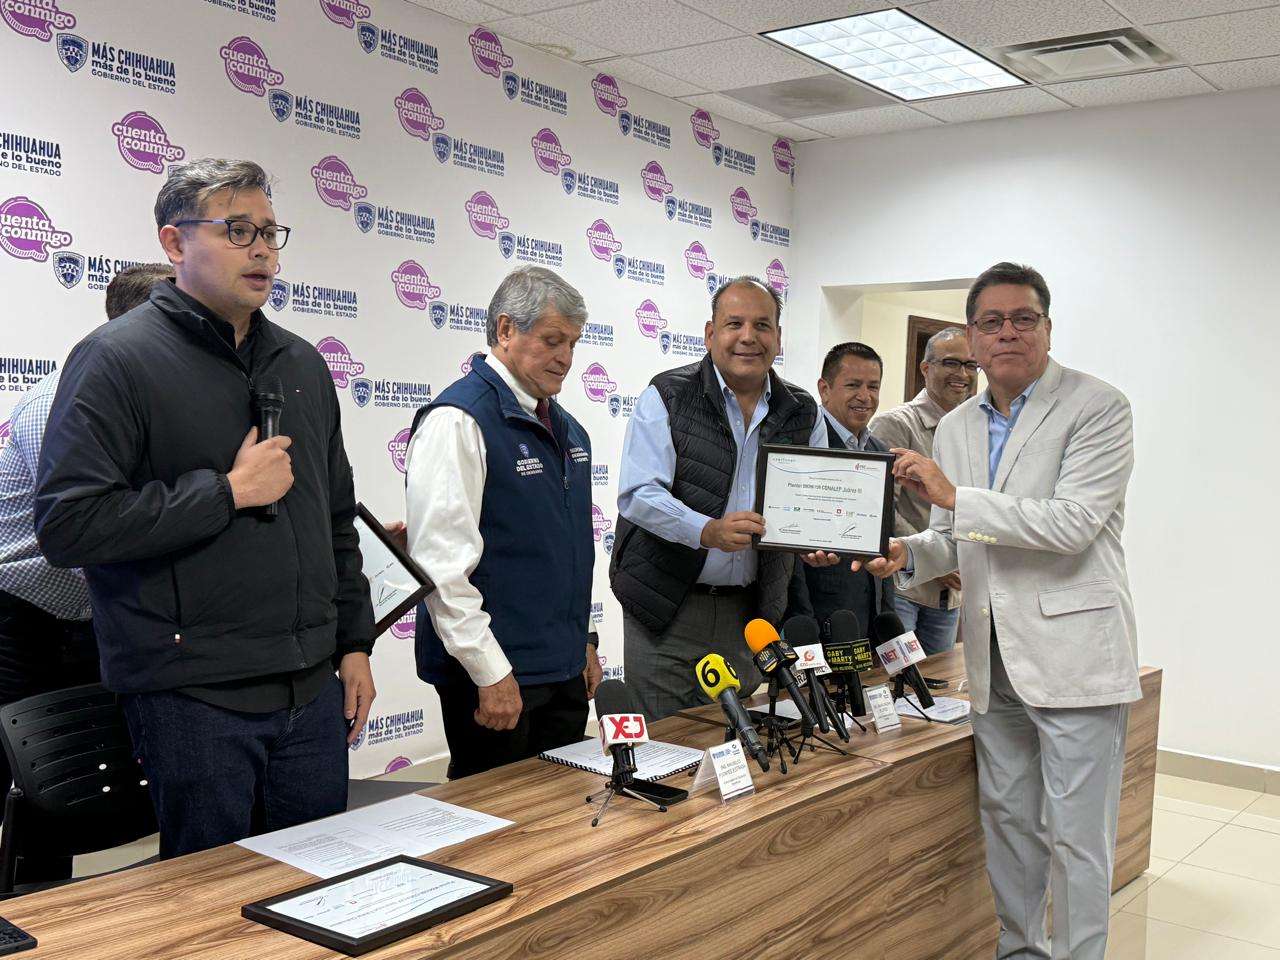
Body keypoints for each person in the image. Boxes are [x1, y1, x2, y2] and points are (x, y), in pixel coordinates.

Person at [34, 158, 376, 859]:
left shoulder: (303, 364)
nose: (262, 250)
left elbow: (335, 519)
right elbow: (69, 525)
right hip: (194, 696)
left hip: (312, 687)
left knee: (321, 886)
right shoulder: (115, 360)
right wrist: (226, 492)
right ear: (174, 243)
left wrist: (354, 643)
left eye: (270, 232)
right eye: (237, 230)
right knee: (213, 903)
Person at [860, 262, 1141, 960]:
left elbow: (1072, 524)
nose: (1007, 332)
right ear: (973, 336)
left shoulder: (1098, 406)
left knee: (1078, 837)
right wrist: (907, 552)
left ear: (1047, 328)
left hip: (1074, 658)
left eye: (1023, 319)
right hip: (991, 656)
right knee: (1010, 824)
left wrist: (954, 498)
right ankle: (1020, 950)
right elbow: (957, 535)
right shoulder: (958, 425)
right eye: (991, 321)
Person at [0, 262, 171, 882]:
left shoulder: (148, 401)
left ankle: (49, 910)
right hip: (22, 616)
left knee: (63, 785)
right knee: (17, 775)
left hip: (89, 613)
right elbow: (87, 529)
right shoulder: (62, 400)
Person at [405, 266, 601, 780]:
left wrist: (584, 640)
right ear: (506, 329)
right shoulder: (459, 420)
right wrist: (488, 671)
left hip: (560, 669)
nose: (566, 357)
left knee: (565, 814)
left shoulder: (570, 429)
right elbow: (441, 567)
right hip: (496, 677)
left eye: (573, 343)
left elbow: (566, 550)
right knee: (498, 823)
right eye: (553, 340)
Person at [612, 276, 828, 720]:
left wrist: (816, 541)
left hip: (748, 616)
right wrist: (706, 530)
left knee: (736, 741)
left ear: (778, 337)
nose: (749, 337)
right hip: (666, 607)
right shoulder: (668, 395)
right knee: (667, 744)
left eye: (762, 325)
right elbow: (639, 494)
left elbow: (816, 498)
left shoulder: (803, 411)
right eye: (734, 324)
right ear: (710, 334)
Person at [869, 328, 977, 653]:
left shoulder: (974, 429)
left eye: (970, 365)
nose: (962, 374)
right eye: (951, 363)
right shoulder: (894, 424)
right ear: (925, 368)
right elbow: (879, 508)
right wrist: (931, 558)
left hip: (951, 593)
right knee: (900, 677)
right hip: (904, 589)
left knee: (942, 679)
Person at [787, 342, 895, 638]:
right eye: (853, 385)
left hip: (867, 614)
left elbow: (884, 539)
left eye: (873, 386)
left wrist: (885, 613)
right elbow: (789, 553)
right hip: (813, 617)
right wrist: (802, 618)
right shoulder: (802, 445)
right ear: (824, 389)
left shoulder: (879, 451)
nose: (865, 396)